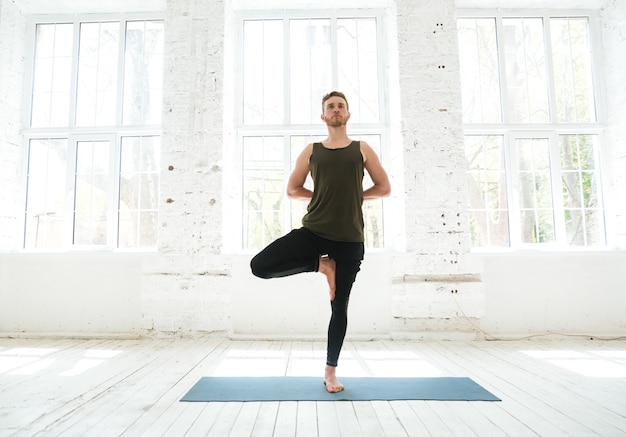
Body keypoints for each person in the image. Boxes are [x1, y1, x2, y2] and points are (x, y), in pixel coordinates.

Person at [250, 91, 391, 393]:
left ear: (348, 115)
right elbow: (292, 189)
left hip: (350, 238)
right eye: (330, 106)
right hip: (314, 231)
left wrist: (354, 197)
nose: (336, 110)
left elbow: (383, 187)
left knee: (339, 308)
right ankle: (321, 265)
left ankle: (330, 373)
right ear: (323, 116)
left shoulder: (361, 149)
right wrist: (323, 198)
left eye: (341, 106)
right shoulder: (312, 151)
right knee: (259, 266)